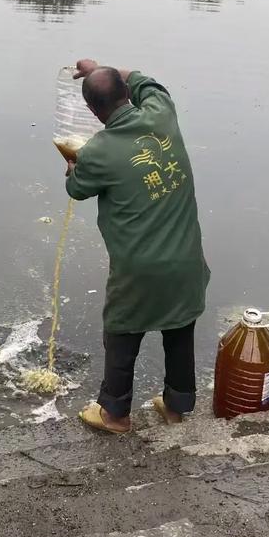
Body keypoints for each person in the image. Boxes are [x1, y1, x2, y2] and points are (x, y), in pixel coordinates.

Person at [64, 59, 210, 433]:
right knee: (179, 327)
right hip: (186, 259)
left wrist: (72, 165)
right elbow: (148, 82)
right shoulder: (161, 113)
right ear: (127, 94)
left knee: (121, 332)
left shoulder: (98, 151)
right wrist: (103, 67)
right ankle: (176, 407)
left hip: (139, 269)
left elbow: (77, 188)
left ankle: (115, 414)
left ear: (94, 113)